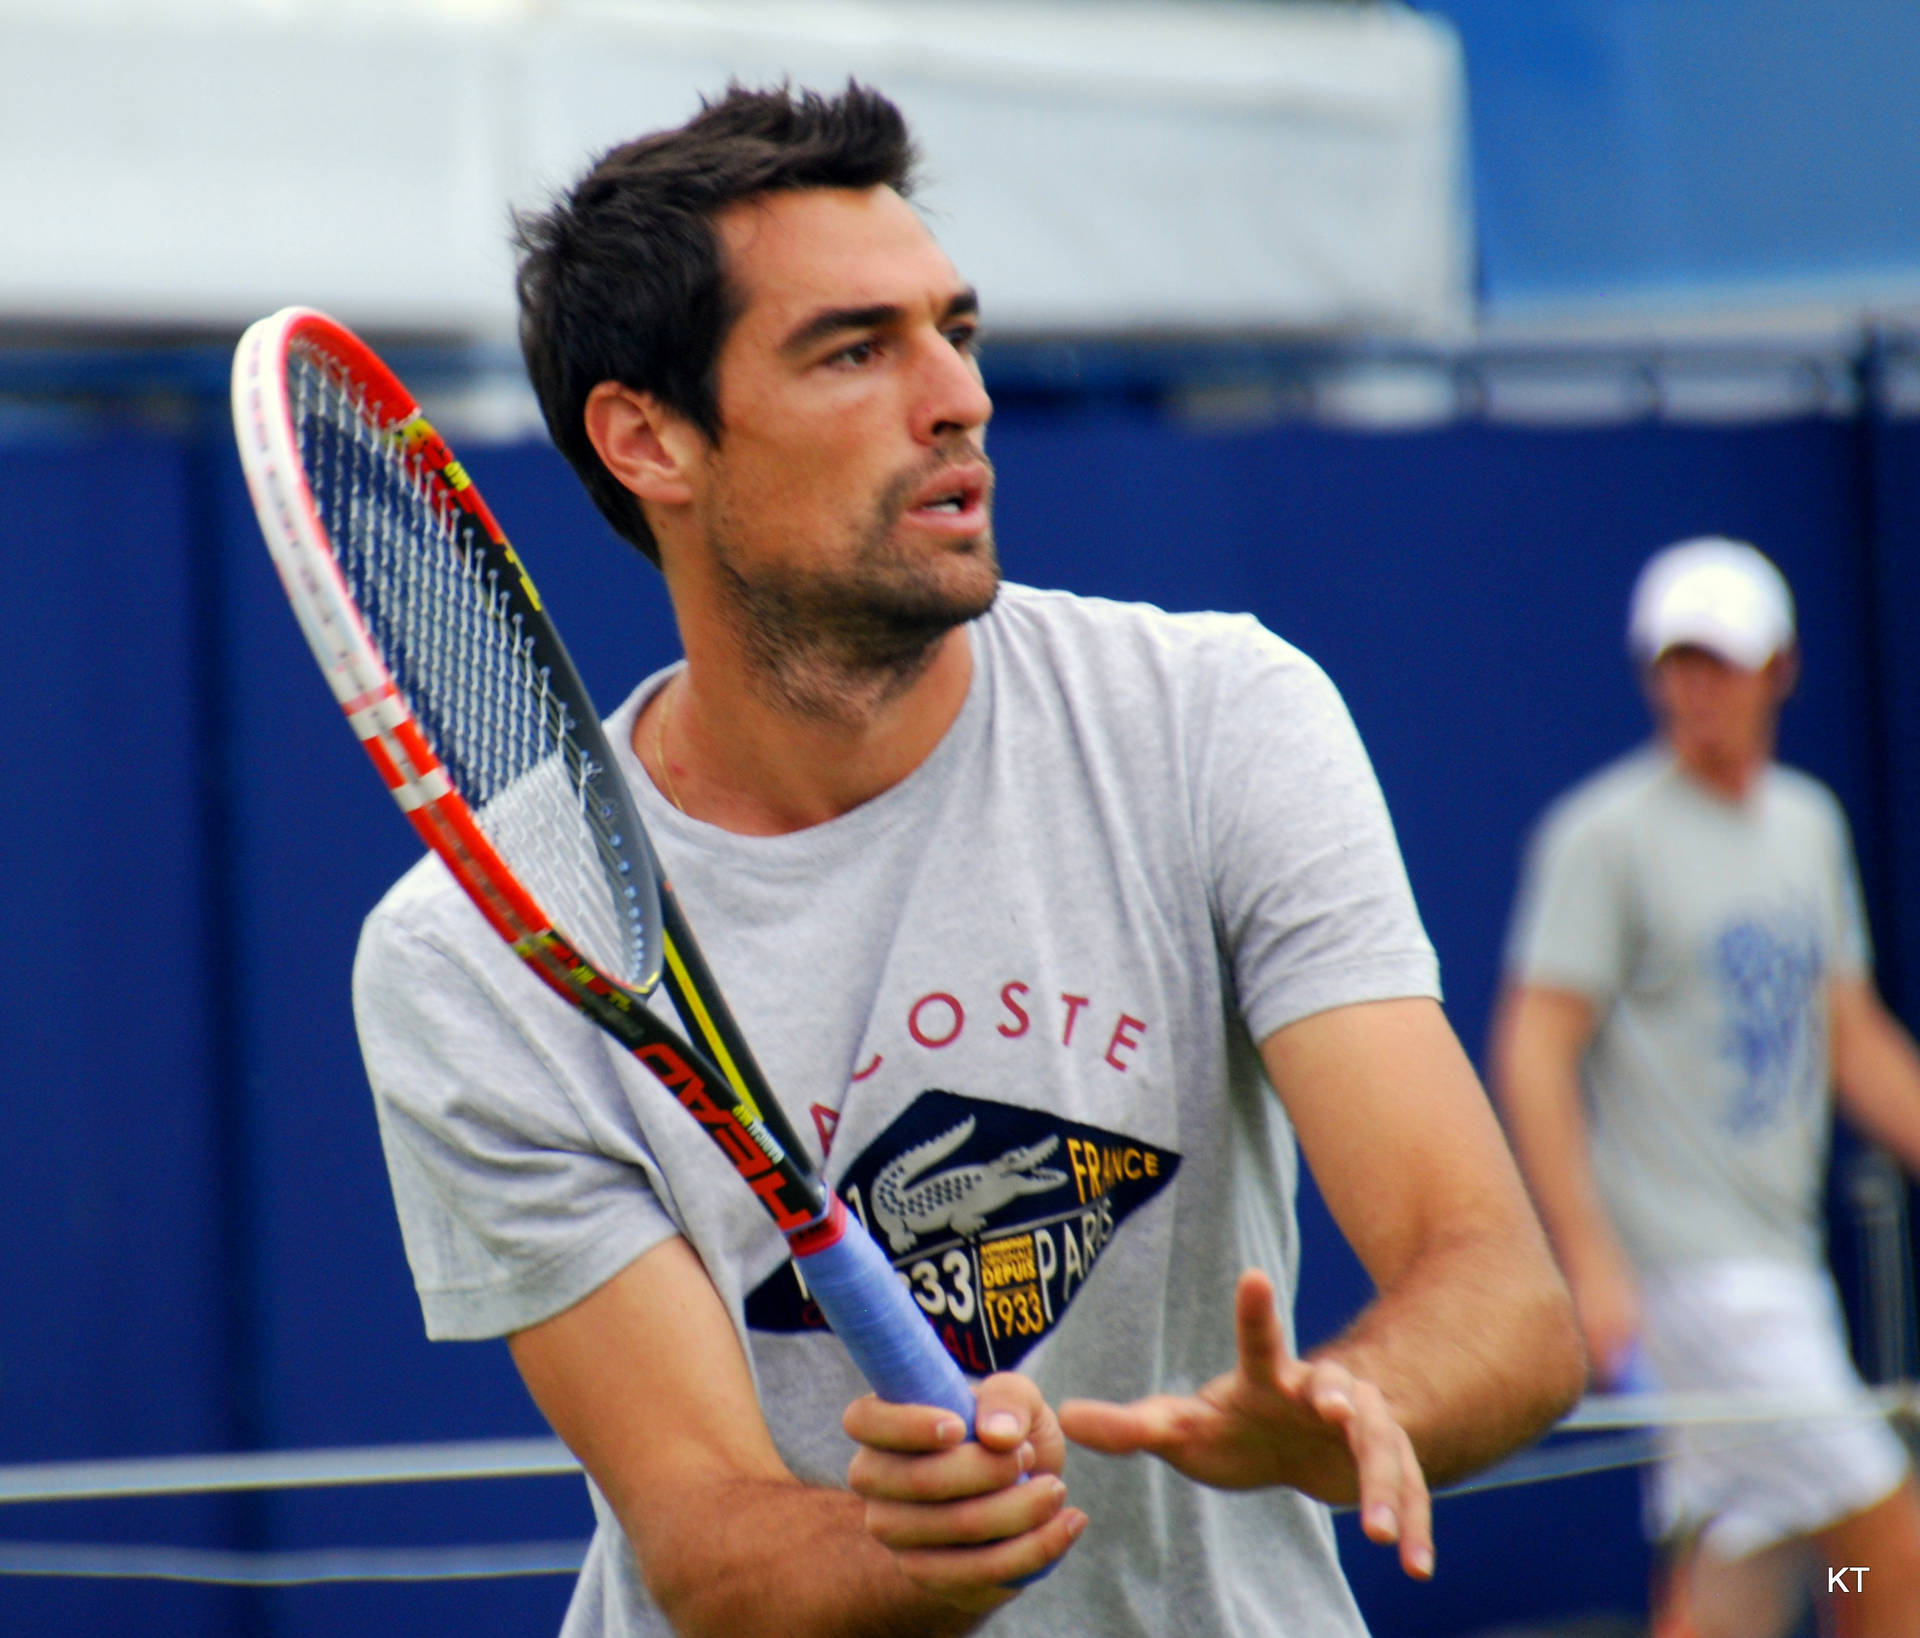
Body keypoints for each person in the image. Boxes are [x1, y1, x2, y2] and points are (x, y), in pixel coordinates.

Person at [354, 82, 1581, 1637]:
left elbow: (1502, 1296)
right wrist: (914, 1548)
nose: (957, 397)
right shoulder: (470, 948)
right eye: (857, 349)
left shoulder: (1217, 721)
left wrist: (1349, 1401)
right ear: (646, 437)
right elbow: (707, 1543)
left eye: (959, 331)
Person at [1495, 537, 1920, 1638]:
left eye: (1719, 663)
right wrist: (1590, 1264)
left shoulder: (1808, 828)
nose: (1694, 690)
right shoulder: (1605, 837)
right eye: (1674, 664)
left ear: (1779, 668)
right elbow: (1534, 1050)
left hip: (1778, 1267)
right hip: (1694, 1284)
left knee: (1744, 1572)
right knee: (1892, 1554)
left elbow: (1851, 1037)